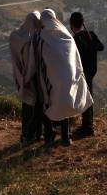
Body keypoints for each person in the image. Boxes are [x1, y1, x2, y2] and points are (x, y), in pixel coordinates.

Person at [36, 8, 92, 146]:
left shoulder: (42, 38)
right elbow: (75, 59)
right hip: (69, 78)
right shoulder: (66, 35)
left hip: (52, 79)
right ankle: (66, 137)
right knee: (65, 107)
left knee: (51, 106)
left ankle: (49, 136)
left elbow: (42, 62)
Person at [69, 12, 104, 137]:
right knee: (88, 98)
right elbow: (101, 47)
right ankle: (88, 126)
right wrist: (91, 40)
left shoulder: (74, 40)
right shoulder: (91, 35)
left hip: (82, 73)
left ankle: (87, 128)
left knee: (85, 99)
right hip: (91, 71)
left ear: (72, 25)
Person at [9, 11, 42, 144]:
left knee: (26, 105)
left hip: (21, 75)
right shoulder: (34, 38)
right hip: (34, 76)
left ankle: (25, 133)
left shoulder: (15, 36)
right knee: (37, 105)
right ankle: (36, 133)